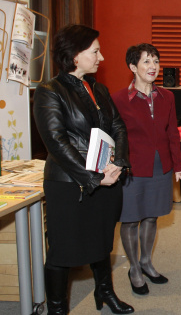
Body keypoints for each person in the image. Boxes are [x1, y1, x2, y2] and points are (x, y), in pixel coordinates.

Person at [33, 24, 134, 314]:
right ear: (75, 55)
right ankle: (56, 308)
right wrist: (92, 178)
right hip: (69, 183)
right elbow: (56, 141)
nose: (101, 57)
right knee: (62, 252)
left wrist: (119, 162)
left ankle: (104, 292)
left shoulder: (98, 88)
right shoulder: (49, 91)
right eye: (95, 51)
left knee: (101, 242)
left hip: (106, 177)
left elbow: (117, 126)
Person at [112, 43, 181, 294]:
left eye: (155, 61)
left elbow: (172, 133)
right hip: (132, 168)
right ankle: (134, 267)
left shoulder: (167, 97)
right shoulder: (119, 99)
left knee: (152, 216)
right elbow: (112, 136)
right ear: (133, 67)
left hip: (160, 166)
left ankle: (146, 262)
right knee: (131, 219)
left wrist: (178, 165)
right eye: (146, 62)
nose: (153, 67)